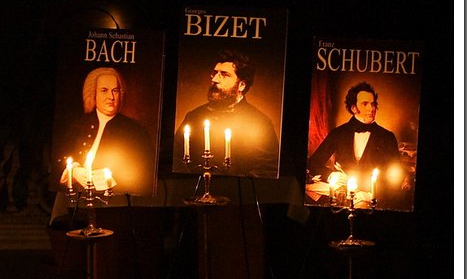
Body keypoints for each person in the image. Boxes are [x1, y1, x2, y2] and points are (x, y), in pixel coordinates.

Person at [173, 50, 280, 178]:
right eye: (214, 73)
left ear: (241, 85)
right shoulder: (194, 116)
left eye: (224, 74)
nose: (215, 79)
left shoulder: (260, 122)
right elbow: (175, 158)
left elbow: (266, 169)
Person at [306, 81, 408, 203]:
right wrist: (332, 175)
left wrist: (372, 195)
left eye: (373, 104)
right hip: (341, 194)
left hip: (371, 197)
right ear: (354, 108)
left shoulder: (388, 137)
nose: (372, 108)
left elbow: (395, 176)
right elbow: (313, 163)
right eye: (365, 104)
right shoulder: (338, 133)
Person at [66, 66, 157, 196]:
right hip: (76, 194)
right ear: (93, 93)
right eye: (104, 90)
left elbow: (143, 174)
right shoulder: (79, 124)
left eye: (115, 91)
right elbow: (62, 158)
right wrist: (74, 172)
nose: (111, 97)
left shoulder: (134, 131)